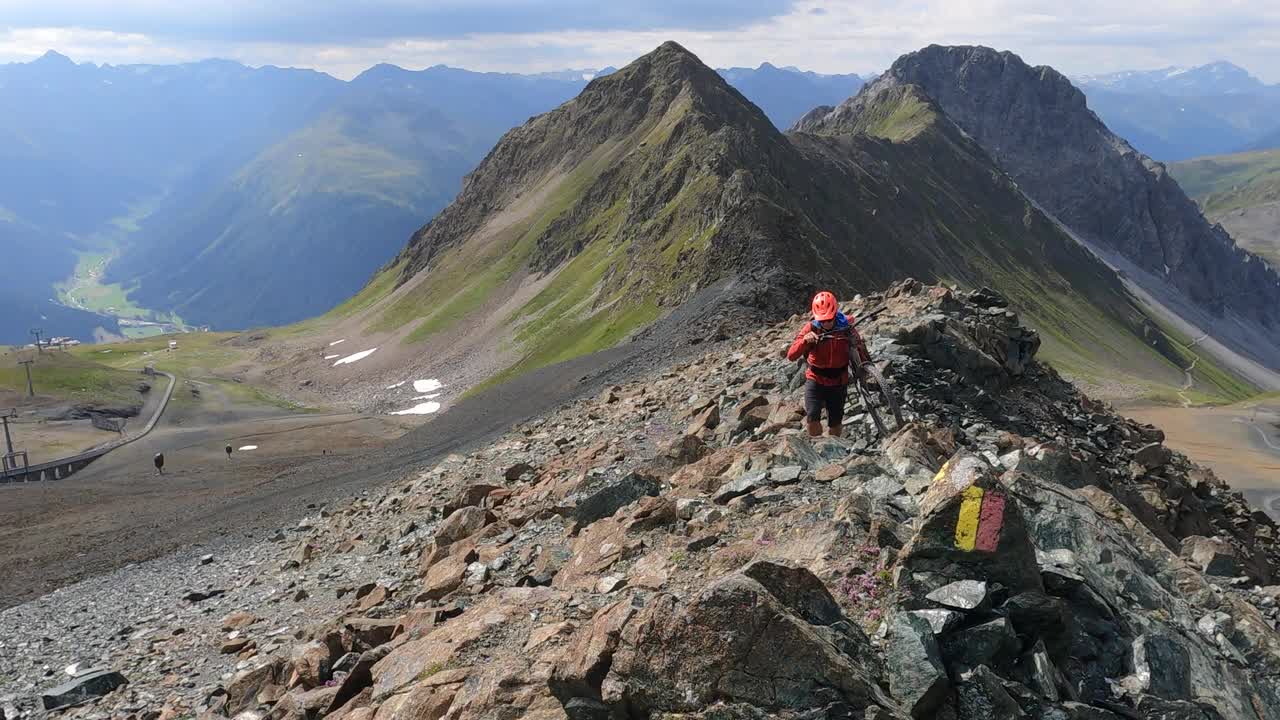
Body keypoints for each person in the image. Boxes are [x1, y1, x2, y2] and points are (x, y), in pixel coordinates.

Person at [785, 290, 871, 437]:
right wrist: (805, 340)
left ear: (835, 313)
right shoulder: (811, 328)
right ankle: (817, 447)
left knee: (836, 422)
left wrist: (866, 366)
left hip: (839, 380)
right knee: (812, 417)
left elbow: (858, 345)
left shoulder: (846, 327)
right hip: (815, 379)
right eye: (822, 320)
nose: (826, 323)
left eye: (829, 319)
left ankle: (834, 447)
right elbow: (791, 355)